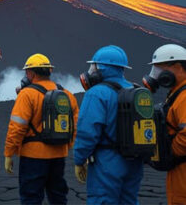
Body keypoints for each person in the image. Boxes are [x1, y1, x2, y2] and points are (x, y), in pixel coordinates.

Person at [4, 53, 79, 205]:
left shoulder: (26, 94)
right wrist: (67, 146)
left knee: (31, 198)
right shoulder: (67, 95)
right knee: (58, 197)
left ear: (31, 73)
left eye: (26, 72)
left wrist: (9, 153)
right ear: (49, 71)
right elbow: (75, 127)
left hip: (33, 157)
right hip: (59, 155)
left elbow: (17, 127)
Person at [74, 45, 144, 204]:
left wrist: (79, 160)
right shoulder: (136, 90)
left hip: (106, 163)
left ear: (102, 68)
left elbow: (87, 132)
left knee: (102, 201)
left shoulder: (96, 93)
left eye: (94, 66)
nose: (91, 71)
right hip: (135, 162)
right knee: (129, 200)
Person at [143, 44, 186, 205]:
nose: (156, 76)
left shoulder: (184, 97)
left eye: (159, 69)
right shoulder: (177, 93)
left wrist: (171, 152)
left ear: (176, 67)